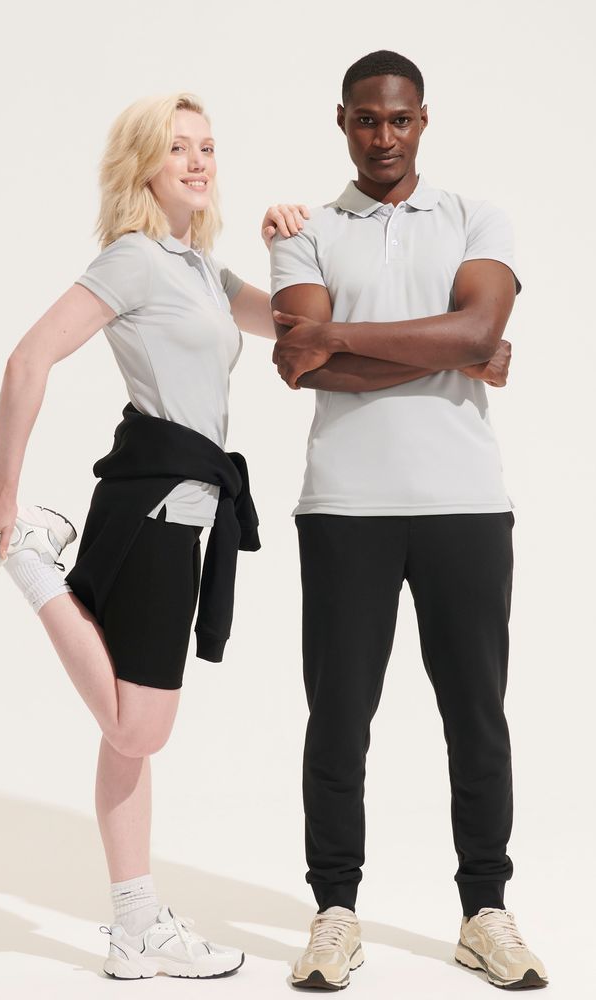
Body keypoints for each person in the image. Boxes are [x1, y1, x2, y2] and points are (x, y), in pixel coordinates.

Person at [0, 91, 308, 982]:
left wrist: (287, 245)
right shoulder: (135, 259)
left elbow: (294, 325)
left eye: (207, 146)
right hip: (153, 505)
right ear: (141, 164)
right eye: (177, 147)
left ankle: (135, 926)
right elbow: (28, 357)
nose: (198, 161)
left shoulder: (203, 270)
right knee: (139, 728)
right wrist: (4, 489)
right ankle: (29, 557)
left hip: (182, 508)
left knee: (125, 738)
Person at [270, 51, 548, 991]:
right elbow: (299, 363)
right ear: (341, 121)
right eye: (365, 120)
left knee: (475, 716)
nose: (381, 137)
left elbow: (474, 329)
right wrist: (449, 347)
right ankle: (334, 912)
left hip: (464, 502)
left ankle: (484, 911)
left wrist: (340, 335)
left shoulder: (477, 217)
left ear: (422, 119)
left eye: (397, 119)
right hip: (343, 505)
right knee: (338, 718)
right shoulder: (305, 234)